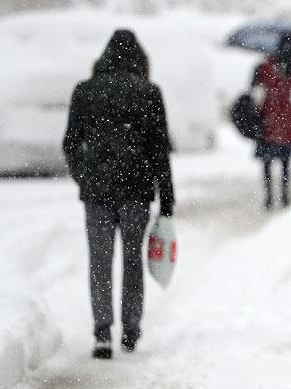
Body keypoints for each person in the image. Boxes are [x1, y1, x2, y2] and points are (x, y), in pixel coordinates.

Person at [63, 29, 175, 359]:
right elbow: (159, 150)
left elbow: (70, 143)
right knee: (132, 258)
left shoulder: (85, 91)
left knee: (99, 260)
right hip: (136, 190)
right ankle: (130, 329)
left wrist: (84, 176)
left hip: (97, 191)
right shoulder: (149, 92)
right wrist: (166, 196)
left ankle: (101, 332)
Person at [251, 32, 291, 210]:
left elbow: (254, 85)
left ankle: (269, 197)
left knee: (268, 162)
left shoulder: (267, 64)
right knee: (285, 161)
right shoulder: (290, 66)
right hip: (284, 117)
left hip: (269, 116)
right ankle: (283, 196)